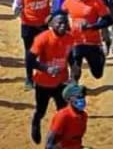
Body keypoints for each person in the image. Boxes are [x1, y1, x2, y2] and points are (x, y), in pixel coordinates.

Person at [30, 12, 76, 145]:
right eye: (59, 23)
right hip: (43, 82)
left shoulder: (70, 38)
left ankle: (57, 139)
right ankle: (36, 121)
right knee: (41, 111)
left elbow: (71, 57)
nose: (62, 26)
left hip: (61, 81)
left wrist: (74, 68)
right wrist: (46, 69)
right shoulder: (42, 38)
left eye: (65, 23)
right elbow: (30, 60)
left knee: (62, 111)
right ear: (51, 24)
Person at [14, 0, 57, 87]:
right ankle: (29, 77)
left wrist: (52, 15)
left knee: (45, 50)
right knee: (29, 52)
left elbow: (55, 0)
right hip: (27, 24)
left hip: (43, 24)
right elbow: (17, 3)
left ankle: (43, 74)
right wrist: (16, 9)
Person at [62, 0, 111, 82]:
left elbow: (107, 20)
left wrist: (92, 26)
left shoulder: (96, 2)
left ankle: (101, 57)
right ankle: (74, 87)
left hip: (92, 42)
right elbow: (61, 14)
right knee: (75, 70)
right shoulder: (69, 1)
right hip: (75, 41)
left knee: (97, 74)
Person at [46, 82, 89, 149]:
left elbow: (75, 140)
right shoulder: (63, 115)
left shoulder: (84, 116)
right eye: (78, 96)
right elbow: (50, 143)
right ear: (69, 99)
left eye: (83, 96)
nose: (82, 98)